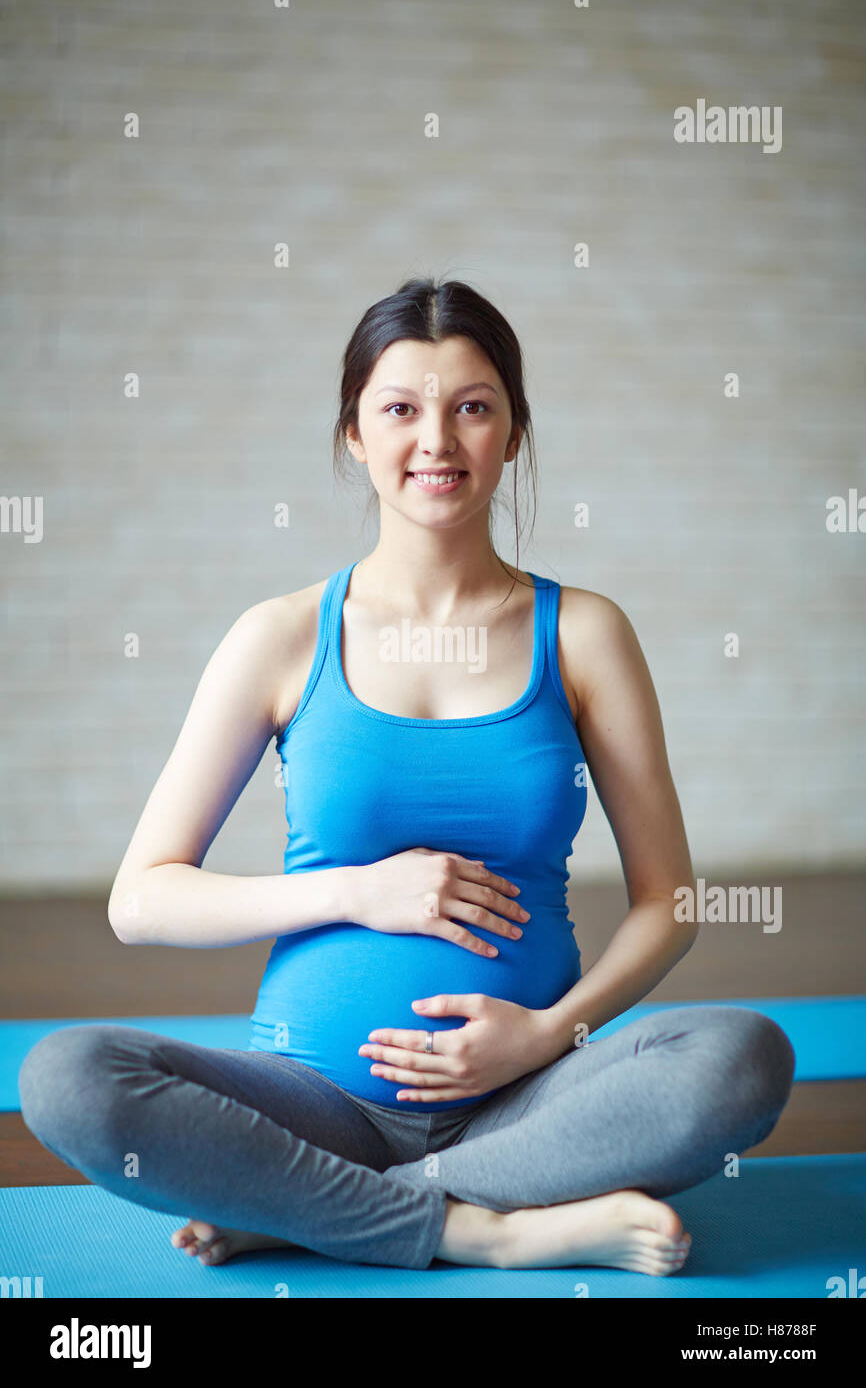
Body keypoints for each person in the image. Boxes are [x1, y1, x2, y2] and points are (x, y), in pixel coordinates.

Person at [18, 277, 795, 1276]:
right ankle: (489, 1229)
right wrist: (356, 889)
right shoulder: (283, 636)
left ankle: (313, 1209)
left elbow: (668, 902)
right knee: (71, 1077)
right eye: (399, 408)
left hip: (530, 1102)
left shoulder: (584, 634)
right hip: (312, 1099)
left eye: (472, 406)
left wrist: (551, 1034)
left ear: (511, 433)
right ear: (353, 433)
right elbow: (143, 898)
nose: (436, 439)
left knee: (741, 1058)